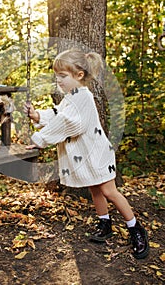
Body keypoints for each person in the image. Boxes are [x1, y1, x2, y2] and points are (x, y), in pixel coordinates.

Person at [24, 48, 149, 259]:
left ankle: (135, 228)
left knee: (109, 191)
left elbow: (68, 123)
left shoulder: (82, 97)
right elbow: (58, 113)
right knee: (95, 189)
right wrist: (38, 116)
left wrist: (40, 139)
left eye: (63, 76)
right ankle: (105, 222)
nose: (58, 81)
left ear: (79, 75)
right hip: (88, 155)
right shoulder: (72, 96)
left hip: (98, 154)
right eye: (57, 76)